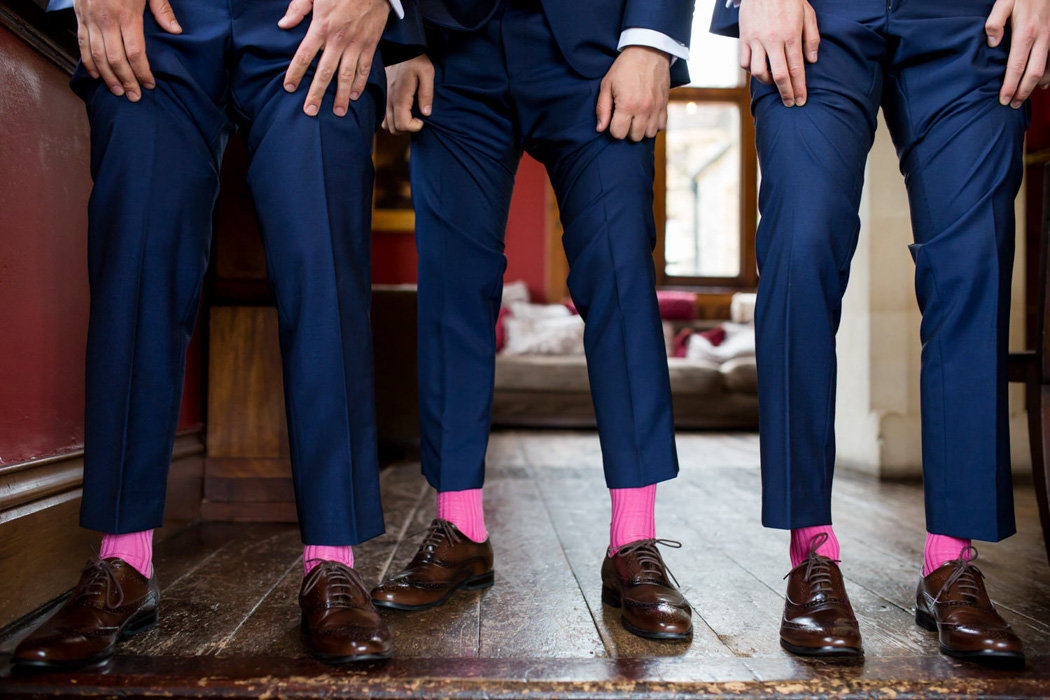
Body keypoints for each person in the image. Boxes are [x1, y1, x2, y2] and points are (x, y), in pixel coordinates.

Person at [13, 0, 403, 668]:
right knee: (135, 257)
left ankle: (334, 562)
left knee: (323, 265)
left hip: (310, 17)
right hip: (154, 20)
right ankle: (122, 561)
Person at [710, 0, 1047, 665]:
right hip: (813, 11)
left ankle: (951, 560)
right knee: (801, 245)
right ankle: (810, 552)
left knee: (972, 258)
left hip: (971, 18)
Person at [369, 0, 698, 641]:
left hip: (599, 47)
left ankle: (634, 539)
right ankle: (459, 526)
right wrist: (401, 42)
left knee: (619, 277)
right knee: (451, 288)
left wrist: (652, 41)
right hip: (451, 47)